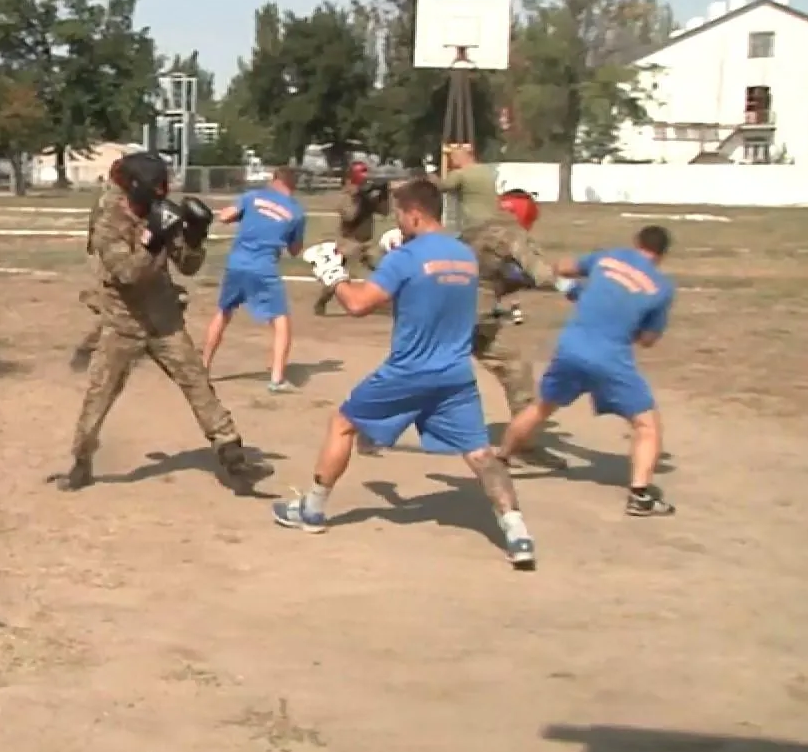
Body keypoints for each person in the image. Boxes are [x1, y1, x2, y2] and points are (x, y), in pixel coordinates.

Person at [279, 179, 536, 569]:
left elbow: (359, 305)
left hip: (409, 371)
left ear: (415, 213)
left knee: (342, 424)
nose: (397, 220)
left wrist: (331, 273)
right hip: (455, 374)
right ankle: (517, 532)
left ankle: (312, 510)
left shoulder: (406, 258)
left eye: (400, 214)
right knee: (482, 454)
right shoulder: (464, 256)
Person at [53, 152, 268, 493]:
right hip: (123, 321)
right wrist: (154, 238)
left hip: (164, 317)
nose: (160, 196)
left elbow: (188, 265)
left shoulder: (161, 208)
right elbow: (128, 273)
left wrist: (195, 237)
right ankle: (81, 463)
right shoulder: (108, 217)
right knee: (99, 397)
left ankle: (231, 452)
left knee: (197, 382)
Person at [498, 227, 677, 517]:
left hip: (571, 347)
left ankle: (502, 458)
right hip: (611, 357)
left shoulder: (609, 258)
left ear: (636, 243)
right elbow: (647, 339)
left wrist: (574, 289)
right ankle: (640, 495)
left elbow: (564, 268)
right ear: (662, 255)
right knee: (646, 426)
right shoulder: (661, 287)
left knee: (541, 407)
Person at [460, 206, 570, 469]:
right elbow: (541, 274)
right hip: (477, 314)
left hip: (451, 308)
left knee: (514, 366)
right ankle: (369, 421)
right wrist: (576, 287)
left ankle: (524, 443)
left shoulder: (473, 229)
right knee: (515, 368)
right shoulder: (512, 233)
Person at [200, 165, 307, 392]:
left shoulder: (252, 197)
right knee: (281, 321)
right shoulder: (296, 212)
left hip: (237, 263)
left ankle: (203, 367)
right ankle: (277, 378)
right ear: (293, 184)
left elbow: (226, 216)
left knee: (223, 312)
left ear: (275, 180)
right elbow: (296, 250)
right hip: (263, 268)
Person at [314, 164, 390, 317]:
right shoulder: (345, 197)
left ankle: (387, 303)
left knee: (384, 268)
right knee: (337, 276)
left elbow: (385, 212)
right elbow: (350, 216)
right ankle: (322, 301)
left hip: (367, 243)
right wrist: (358, 198)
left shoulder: (366, 197)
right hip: (347, 242)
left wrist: (383, 195)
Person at [437, 142, 500, 226]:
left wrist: (434, 177)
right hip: (492, 217)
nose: (451, 161)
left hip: (472, 219)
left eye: (452, 158)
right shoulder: (486, 170)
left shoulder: (460, 173)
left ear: (457, 158)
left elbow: (443, 186)